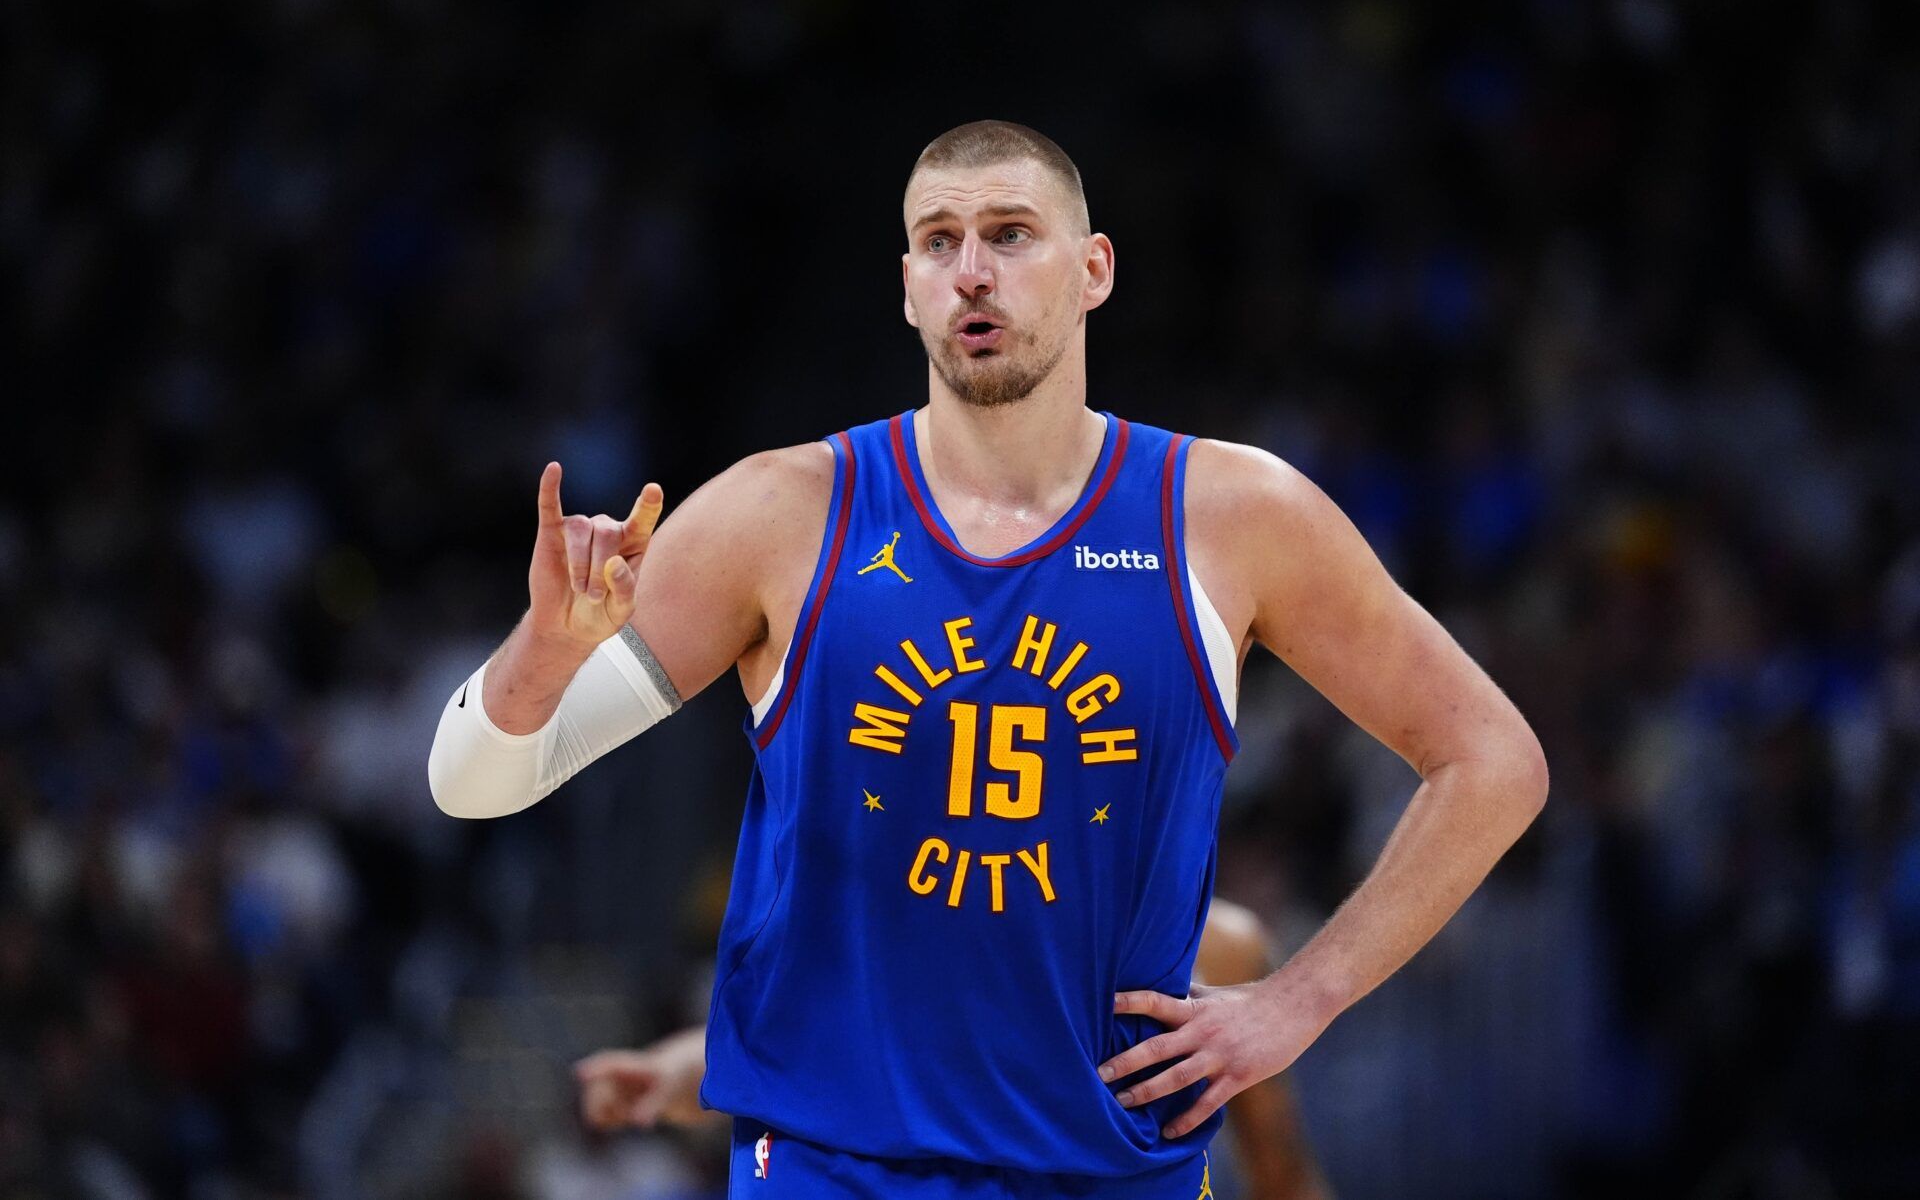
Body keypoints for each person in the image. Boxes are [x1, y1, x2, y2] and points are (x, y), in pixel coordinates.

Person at [427, 120, 1548, 1198]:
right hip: (832, 1168)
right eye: (939, 241)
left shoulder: (1231, 513)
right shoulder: (779, 513)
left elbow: (1493, 760)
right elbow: (477, 784)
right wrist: (546, 645)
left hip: (1112, 1172)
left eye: (1011, 233)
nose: (972, 270)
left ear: (1094, 268)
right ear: (907, 284)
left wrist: (1302, 1000)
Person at [575, 899, 1336, 1200]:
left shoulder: (1223, 946)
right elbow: (803, 1056)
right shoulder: (936, 927)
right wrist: (679, 1066)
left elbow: (1281, 1164)